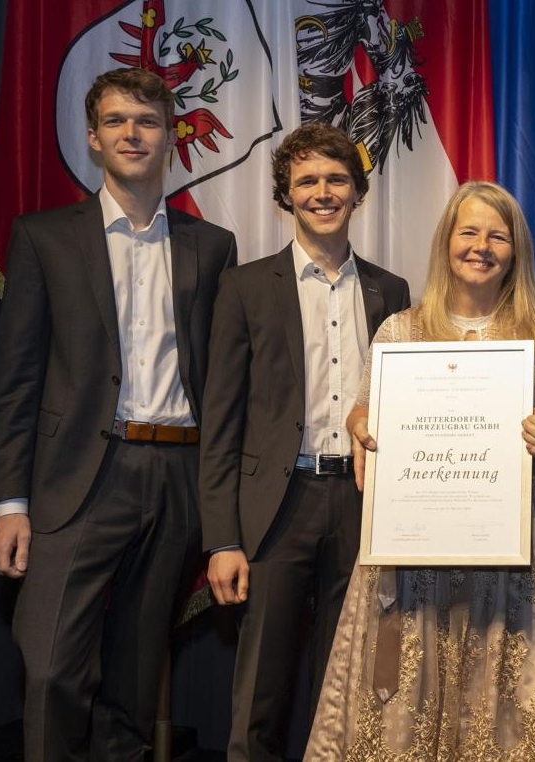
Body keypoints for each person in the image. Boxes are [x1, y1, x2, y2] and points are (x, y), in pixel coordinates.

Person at [0, 67, 237, 760]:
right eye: (118, 121)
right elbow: (15, 383)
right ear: (94, 138)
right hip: (76, 480)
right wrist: (10, 502)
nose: (133, 133)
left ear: (169, 138)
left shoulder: (211, 248)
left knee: (132, 685)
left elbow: (221, 383)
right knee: (52, 670)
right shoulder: (43, 238)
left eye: (148, 121)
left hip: (176, 479)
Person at [303, 180, 535, 760]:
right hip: (411, 548)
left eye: (497, 236)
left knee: (493, 698)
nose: (481, 246)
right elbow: (364, 407)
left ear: (515, 250)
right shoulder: (401, 330)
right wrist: (358, 422)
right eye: (469, 232)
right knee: (403, 691)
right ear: (446, 243)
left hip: (505, 547)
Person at [198, 122, 410, 760]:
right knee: (260, 693)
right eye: (308, 181)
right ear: (286, 196)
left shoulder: (391, 291)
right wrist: (222, 540)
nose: (323, 192)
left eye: (336, 180)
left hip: (361, 504)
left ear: (358, 192)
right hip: (274, 510)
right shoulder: (245, 287)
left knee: (346, 685)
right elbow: (221, 420)